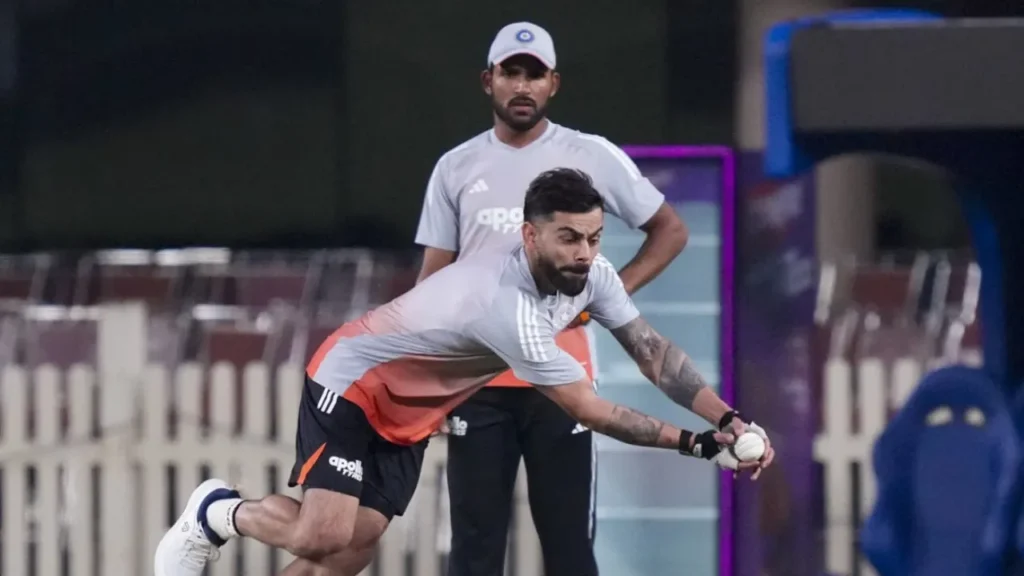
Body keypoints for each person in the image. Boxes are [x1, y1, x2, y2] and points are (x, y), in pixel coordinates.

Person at [154, 168, 774, 576]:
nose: (585, 253)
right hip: (355, 382)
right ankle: (218, 511)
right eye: (568, 238)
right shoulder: (504, 307)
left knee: (353, 550)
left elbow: (653, 352)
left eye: (593, 237)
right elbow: (591, 410)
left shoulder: (593, 275)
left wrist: (727, 417)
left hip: (414, 413)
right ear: (529, 236)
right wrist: (697, 445)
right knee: (322, 536)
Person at [414, 22, 690, 576]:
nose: (523, 86)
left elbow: (670, 230)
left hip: (563, 387)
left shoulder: (590, 155)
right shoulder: (456, 166)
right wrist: (424, 383)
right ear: (488, 81)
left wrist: (604, 297)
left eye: (535, 74)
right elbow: (432, 283)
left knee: (568, 550)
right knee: (473, 553)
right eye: (511, 73)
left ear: (553, 84)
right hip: (478, 385)